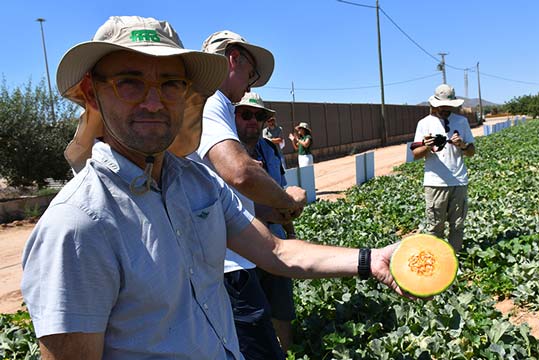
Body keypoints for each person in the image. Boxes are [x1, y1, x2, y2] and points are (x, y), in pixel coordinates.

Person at [20, 16, 411, 360]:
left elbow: (275, 251)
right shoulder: (78, 224)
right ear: (92, 93)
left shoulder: (196, 182)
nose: (154, 103)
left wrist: (371, 259)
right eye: (130, 83)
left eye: (170, 84)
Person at [192, 30, 302, 359]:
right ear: (233, 59)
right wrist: (288, 201)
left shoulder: (211, 106)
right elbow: (239, 171)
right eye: (251, 74)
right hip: (227, 264)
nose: (250, 86)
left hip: (228, 254)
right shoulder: (213, 103)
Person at [236, 92, 296, 353]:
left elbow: (281, 191)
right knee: (252, 313)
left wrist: (290, 229)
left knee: (281, 303)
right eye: (246, 114)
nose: (253, 121)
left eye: (259, 116)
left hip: (275, 238)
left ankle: (288, 351)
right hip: (240, 245)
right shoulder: (225, 153)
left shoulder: (270, 150)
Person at [411, 84, 475, 252]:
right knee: (435, 227)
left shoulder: (461, 122)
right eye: (442, 106)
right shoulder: (424, 124)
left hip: (458, 181)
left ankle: (455, 259)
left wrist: (462, 144)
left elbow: (471, 152)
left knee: (458, 225)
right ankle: (437, 262)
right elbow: (415, 154)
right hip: (435, 183)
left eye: (448, 106)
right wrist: (426, 146)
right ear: (434, 105)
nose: (445, 109)